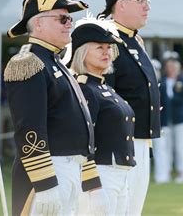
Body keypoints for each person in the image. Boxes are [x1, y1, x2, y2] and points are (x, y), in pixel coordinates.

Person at [4, 0, 105, 216]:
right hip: (49, 170)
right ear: (38, 23)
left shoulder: (54, 61)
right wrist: (44, 182)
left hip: (69, 169)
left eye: (70, 18)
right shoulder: (28, 61)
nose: (70, 23)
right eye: (63, 18)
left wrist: (89, 179)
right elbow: (29, 127)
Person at [99, 0, 163, 215]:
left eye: (148, 1)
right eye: (141, 1)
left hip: (139, 141)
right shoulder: (106, 41)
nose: (147, 7)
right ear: (121, 5)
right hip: (117, 146)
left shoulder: (134, 40)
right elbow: (101, 97)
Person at [70, 16, 136, 215]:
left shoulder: (103, 86)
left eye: (108, 47)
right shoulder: (85, 89)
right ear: (82, 52)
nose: (106, 52)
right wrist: (92, 183)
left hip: (120, 172)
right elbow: (82, 140)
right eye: (99, 47)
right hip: (101, 174)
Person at [154, 51, 183, 184]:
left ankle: (182, 173)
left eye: (172, 65)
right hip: (166, 120)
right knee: (166, 148)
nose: (170, 68)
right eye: (168, 65)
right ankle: (166, 172)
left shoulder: (181, 81)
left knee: (180, 147)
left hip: (180, 119)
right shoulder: (162, 81)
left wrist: (172, 99)